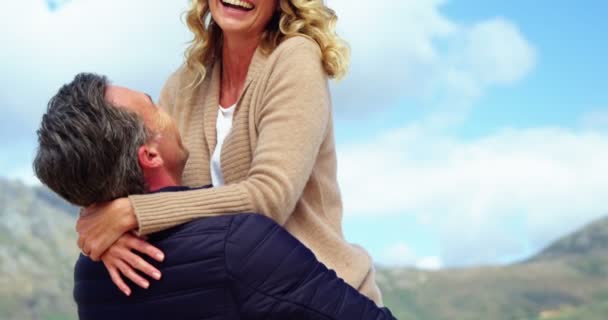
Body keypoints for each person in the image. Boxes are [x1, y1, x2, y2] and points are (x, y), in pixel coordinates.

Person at [75, 0, 383, 304]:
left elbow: (268, 198)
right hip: (238, 303)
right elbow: (133, 169)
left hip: (324, 298)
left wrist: (132, 213)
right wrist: (104, 231)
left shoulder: (295, 58)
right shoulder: (183, 84)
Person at [33, 73, 396, 320]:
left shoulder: (90, 275)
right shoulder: (237, 245)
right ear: (151, 155)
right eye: (154, 105)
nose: (168, 109)